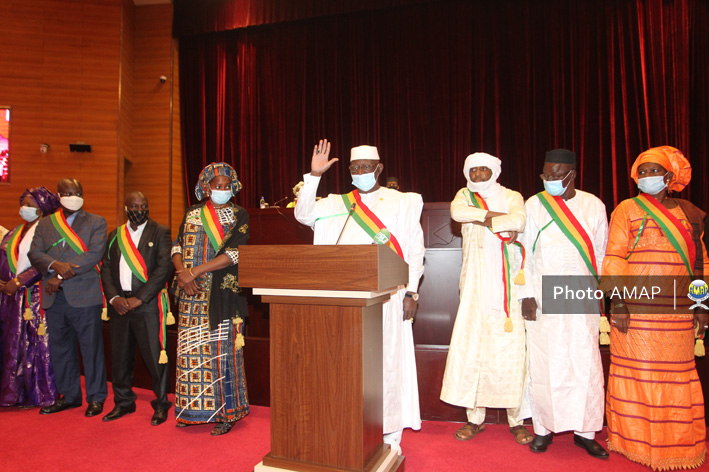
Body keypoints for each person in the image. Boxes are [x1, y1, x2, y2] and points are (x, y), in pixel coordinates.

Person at [294, 139, 425, 454]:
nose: (361, 172)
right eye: (355, 168)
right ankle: (347, 423)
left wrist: (412, 291)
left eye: (366, 167)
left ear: (379, 169)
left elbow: (415, 247)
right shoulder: (335, 202)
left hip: (388, 297)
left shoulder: (403, 202)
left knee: (386, 362)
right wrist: (314, 176)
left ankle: (390, 433)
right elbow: (303, 214)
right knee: (345, 364)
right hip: (343, 297)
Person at [602, 146, 707, 470]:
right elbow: (615, 257)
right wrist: (616, 302)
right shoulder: (626, 209)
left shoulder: (691, 213)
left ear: (670, 176)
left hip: (677, 312)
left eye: (653, 171)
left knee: (676, 374)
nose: (647, 177)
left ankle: (675, 445)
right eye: (642, 172)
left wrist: (701, 307)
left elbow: (700, 264)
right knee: (637, 372)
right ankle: (630, 441)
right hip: (635, 309)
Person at [518, 149, 609, 458]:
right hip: (544, 294)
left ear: (572, 174)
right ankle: (543, 429)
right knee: (546, 362)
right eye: (546, 175)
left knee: (584, 361)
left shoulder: (594, 204)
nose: (551, 181)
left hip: (581, 294)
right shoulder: (534, 205)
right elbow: (524, 254)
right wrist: (526, 294)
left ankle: (586, 432)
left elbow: (601, 255)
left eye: (557, 175)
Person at [440, 153, 531, 444]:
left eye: (484, 169)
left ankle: (517, 420)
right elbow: (458, 213)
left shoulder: (512, 195)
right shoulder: (463, 195)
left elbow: (519, 219)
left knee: (512, 350)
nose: (478, 174)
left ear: (494, 171)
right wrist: (494, 218)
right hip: (474, 285)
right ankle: (474, 419)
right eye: (473, 169)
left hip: (509, 285)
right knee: (473, 348)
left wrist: (483, 219)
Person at [171, 162, 250, 435]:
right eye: (217, 186)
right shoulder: (192, 213)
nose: (223, 190)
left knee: (221, 354)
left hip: (222, 294)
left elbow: (236, 254)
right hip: (190, 293)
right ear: (206, 187)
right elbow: (177, 245)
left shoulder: (240, 215)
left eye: (227, 186)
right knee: (190, 353)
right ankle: (190, 411)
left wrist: (194, 271)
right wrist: (182, 273)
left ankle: (226, 413)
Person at [28, 178, 108, 417]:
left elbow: (93, 255)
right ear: (59, 195)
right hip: (55, 298)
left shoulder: (96, 221)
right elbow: (35, 253)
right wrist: (54, 265)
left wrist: (60, 276)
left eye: (78, 192)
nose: (74, 196)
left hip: (84, 295)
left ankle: (96, 398)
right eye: (69, 192)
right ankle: (70, 396)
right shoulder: (45, 224)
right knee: (61, 348)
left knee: (91, 349)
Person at [100, 191, 174, 425]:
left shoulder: (160, 232)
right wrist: (113, 298)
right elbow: (106, 269)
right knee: (120, 358)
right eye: (134, 205)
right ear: (126, 208)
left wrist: (139, 298)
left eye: (144, 205)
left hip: (147, 305)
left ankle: (161, 403)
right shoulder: (115, 235)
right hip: (119, 306)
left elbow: (164, 268)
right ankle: (123, 402)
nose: (139, 209)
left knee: (155, 357)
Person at [0, 187, 61, 407]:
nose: (24, 208)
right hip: (10, 298)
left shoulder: (48, 232)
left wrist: (18, 282)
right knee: (11, 345)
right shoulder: (13, 232)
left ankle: (40, 393)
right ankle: (11, 393)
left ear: (42, 209)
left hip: (34, 296)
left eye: (30, 205)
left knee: (36, 346)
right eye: (23, 203)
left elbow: (44, 262)